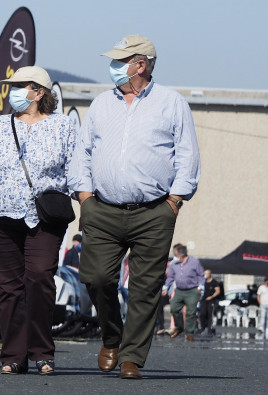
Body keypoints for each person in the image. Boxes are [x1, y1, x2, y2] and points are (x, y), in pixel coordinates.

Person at [68, 34, 201, 380]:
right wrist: (84, 197)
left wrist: (174, 202)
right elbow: (82, 153)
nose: (112, 67)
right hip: (103, 209)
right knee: (95, 279)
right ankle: (112, 336)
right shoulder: (101, 104)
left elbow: (187, 157)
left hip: (154, 211)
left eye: (119, 61)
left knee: (145, 287)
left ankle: (132, 357)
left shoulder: (172, 104)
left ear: (140, 65)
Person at [0, 66, 76, 376]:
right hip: (0, 213)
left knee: (39, 277)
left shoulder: (62, 126)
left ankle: (42, 351)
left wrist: (88, 205)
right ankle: (13, 355)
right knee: (9, 287)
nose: (13, 92)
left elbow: (78, 170)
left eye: (20, 86)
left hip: (45, 216)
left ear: (39, 93)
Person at [164, 243, 205, 340]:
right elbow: (170, 277)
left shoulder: (194, 262)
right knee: (174, 308)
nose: (174, 257)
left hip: (192, 290)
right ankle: (180, 327)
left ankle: (189, 333)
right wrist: (165, 287)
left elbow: (201, 275)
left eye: (175, 254)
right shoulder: (174, 264)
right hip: (179, 291)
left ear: (181, 255)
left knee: (191, 312)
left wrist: (201, 287)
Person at [199, 269, 223, 335]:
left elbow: (218, 291)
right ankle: (203, 327)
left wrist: (212, 297)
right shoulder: (203, 282)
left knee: (210, 314)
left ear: (210, 274)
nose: (205, 275)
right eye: (204, 274)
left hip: (211, 300)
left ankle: (210, 328)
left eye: (207, 274)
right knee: (202, 314)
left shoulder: (214, 282)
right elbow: (199, 289)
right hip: (203, 300)